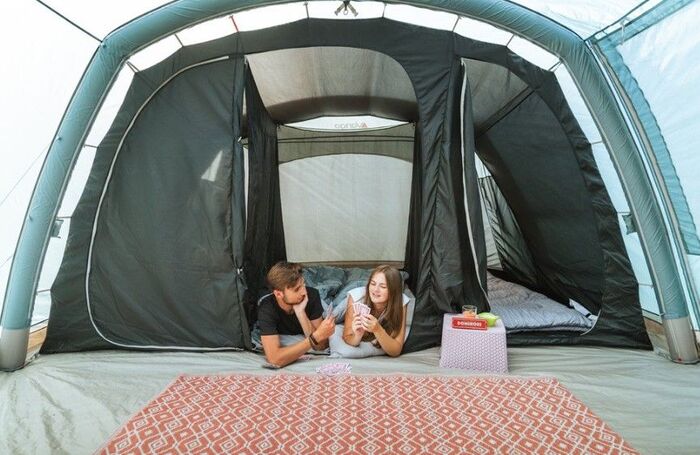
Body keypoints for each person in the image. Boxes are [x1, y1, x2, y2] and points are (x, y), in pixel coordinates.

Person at [258, 261, 335, 367]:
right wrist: (314, 338)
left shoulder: (311, 295)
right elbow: (274, 359)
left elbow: (321, 346)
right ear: (279, 294)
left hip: (316, 306)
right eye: (297, 289)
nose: (303, 292)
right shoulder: (267, 308)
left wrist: (300, 313)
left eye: (303, 284)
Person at [341, 265, 407, 357]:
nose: (375, 290)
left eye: (383, 287)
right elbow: (347, 336)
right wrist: (357, 336)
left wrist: (378, 330)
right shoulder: (356, 297)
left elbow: (396, 351)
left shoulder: (401, 302)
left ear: (393, 291)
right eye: (372, 284)